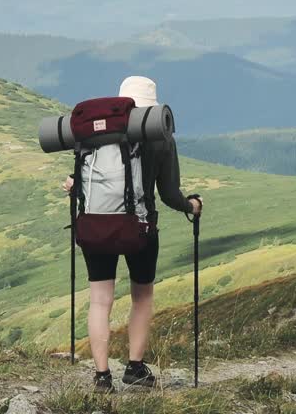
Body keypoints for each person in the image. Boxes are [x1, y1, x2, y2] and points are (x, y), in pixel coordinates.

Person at [63, 75, 203, 391]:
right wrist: (192, 205)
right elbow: (168, 193)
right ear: (153, 106)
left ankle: (101, 377)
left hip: (95, 226)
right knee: (141, 296)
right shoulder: (159, 135)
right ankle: (135, 368)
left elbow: (82, 178)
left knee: (100, 300)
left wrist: (73, 186)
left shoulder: (97, 132)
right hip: (140, 230)